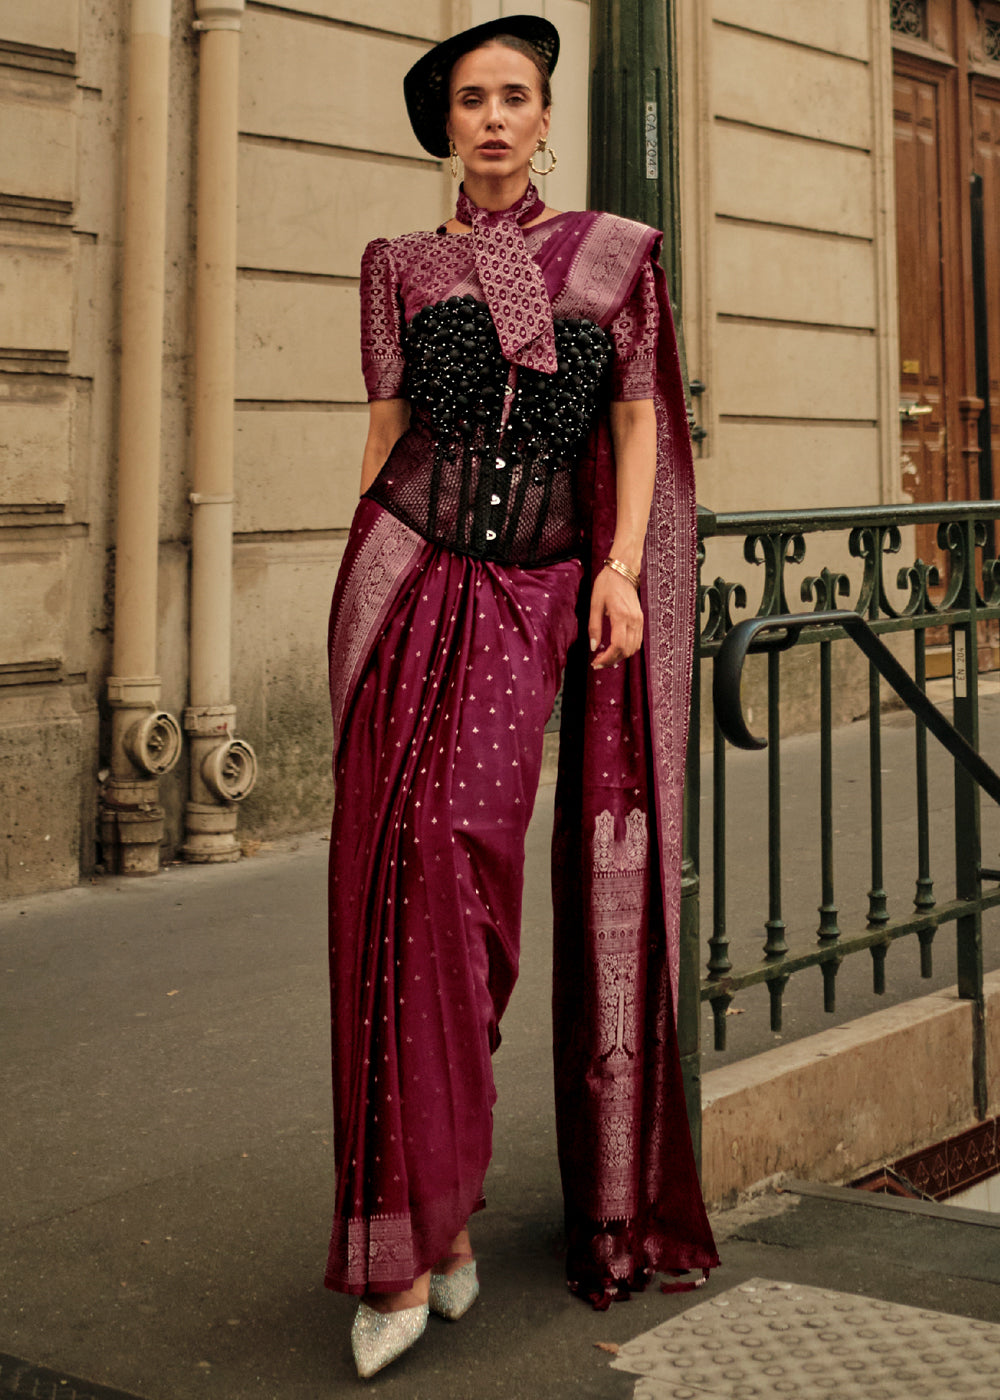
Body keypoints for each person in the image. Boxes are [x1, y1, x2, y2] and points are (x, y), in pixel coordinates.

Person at [325, 15, 718, 1379]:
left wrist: (618, 571)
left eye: (515, 97)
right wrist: (355, 593)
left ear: (546, 117)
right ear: (443, 125)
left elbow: (634, 425)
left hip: (534, 591)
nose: (493, 118)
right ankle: (418, 1241)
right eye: (469, 100)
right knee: (391, 890)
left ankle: (447, 1198)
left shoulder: (615, 259)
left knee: (465, 874)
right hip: (406, 577)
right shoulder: (398, 266)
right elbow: (385, 433)